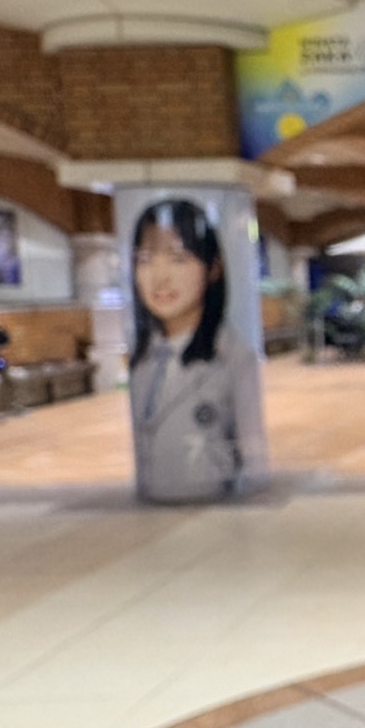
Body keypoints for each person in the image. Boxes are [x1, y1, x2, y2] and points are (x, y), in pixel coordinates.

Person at [128, 198, 264, 502]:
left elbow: (251, 453)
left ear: (213, 267)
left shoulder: (233, 358)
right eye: (146, 259)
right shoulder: (144, 359)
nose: (160, 278)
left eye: (179, 258)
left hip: (211, 500)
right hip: (157, 502)